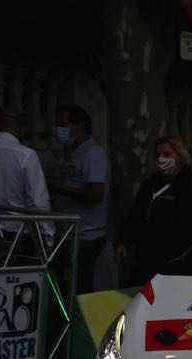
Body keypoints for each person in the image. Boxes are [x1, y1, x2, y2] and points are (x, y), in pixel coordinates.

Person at [116, 136, 192, 286]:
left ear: (180, 156)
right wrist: (123, 240)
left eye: (167, 154)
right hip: (148, 257)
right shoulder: (150, 184)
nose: (161, 159)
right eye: (158, 155)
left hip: (179, 259)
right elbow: (136, 214)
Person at [51, 104, 109, 294]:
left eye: (64, 124)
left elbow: (96, 194)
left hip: (86, 235)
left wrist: (61, 189)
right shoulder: (73, 153)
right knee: (64, 286)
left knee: (79, 289)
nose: (60, 129)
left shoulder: (93, 153)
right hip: (70, 232)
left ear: (80, 125)